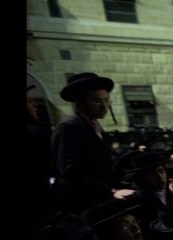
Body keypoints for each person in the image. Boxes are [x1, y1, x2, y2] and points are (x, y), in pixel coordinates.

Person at [51, 72, 134, 211]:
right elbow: (71, 173)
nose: (104, 106)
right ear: (80, 101)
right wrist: (111, 191)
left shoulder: (94, 125)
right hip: (88, 202)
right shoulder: (69, 127)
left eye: (106, 100)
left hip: (106, 195)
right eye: (97, 101)